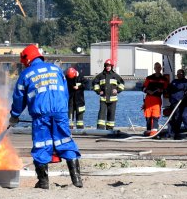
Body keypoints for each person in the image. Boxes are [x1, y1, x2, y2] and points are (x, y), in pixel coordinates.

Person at [10, 44, 82, 189]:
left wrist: (15, 115)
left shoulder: (27, 74)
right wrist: (61, 110)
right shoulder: (56, 69)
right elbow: (65, 93)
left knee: (42, 145)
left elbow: (19, 98)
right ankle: (77, 180)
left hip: (41, 114)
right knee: (65, 141)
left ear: (26, 59)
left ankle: (43, 182)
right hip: (60, 112)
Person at [92, 60, 125, 130]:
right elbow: (94, 83)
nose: (108, 67)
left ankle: (110, 129)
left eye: (109, 66)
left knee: (111, 114)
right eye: (107, 66)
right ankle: (100, 129)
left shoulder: (115, 76)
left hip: (113, 99)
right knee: (101, 114)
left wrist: (117, 90)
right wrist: (98, 91)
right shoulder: (100, 76)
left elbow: (122, 84)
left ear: (111, 67)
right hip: (103, 99)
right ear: (105, 66)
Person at [141, 62, 169, 136]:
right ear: (154, 68)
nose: (157, 69)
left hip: (157, 99)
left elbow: (167, 89)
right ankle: (148, 131)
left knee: (156, 116)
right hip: (148, 99)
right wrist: (147, 90)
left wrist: (162, 90)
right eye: (156, 67)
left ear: (161, 69)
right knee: (148, 116)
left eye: (159, 67)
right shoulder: (149, 78)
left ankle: (154, 132)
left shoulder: (164, 79)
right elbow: (143, 88)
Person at [166, 69, 187, 140]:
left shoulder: (185, 82)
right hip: (174, 103)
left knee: (184, 116)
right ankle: (172, 134)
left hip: (183, 103)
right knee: (174, 118)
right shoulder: (174, 82)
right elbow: (168, 89)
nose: (179, 75)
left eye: (180, 74)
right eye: (178, 74)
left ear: (183, 74)